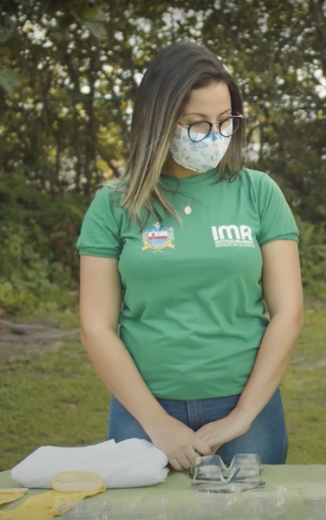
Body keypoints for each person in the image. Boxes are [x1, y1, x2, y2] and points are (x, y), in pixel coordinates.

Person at [76, 41, 303, 471]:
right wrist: (158, 424)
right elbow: (96, 327)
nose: (215, 136)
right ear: (159, 122)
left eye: (225, 121)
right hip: (142, 413)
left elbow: (288, 313)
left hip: (248, 411)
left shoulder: (258, 192)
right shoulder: (114, 204)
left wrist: (241, 416)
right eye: (198, 125)